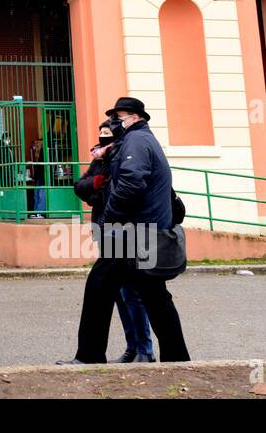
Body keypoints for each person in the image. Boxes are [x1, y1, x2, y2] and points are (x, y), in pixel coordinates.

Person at [62, 97, 190, 365]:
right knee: (155, 297)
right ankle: (177, 359)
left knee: (99, 287)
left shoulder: (136, 141)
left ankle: (89, 356)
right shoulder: (137, 141)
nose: (112, 123)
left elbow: (132, 182)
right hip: (141, 233)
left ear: (134, 118)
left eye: (117, 117)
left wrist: (109, 218)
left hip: (131, 235)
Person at [74, 120, 155, 363]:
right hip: (103, 228)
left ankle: (144, 349)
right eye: (100, 134)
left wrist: (96, 189)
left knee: (134, 293)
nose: (102, 138)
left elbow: (120, 189)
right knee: (119, 294)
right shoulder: (100, 159)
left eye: (107, 134)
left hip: (123, 230)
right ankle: (132, 348)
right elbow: (80, 186)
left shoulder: (122, 156)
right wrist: (97, 185)